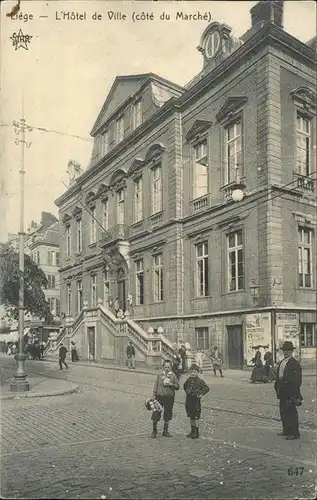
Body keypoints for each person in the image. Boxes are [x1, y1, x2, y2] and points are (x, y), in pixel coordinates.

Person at [274, 341, 302, 440]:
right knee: (283, 411)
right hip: (282, 391)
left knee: (291, 412)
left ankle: (294, 433)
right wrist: (277, 387)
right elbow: (279, 376)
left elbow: (297, 380)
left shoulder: (295, 363)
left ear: (292, 351)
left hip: (290, 391)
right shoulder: (282, 362)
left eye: (288, 351)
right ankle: (286, 431)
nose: (286, 352)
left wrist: (294, 393)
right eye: (285, 351)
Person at [151, 359, 179, 438]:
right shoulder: (159, 375)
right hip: (159, 397)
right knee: (156, 413)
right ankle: (154, 431)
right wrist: (154, 395)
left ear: (171, 367)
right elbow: (155, 385)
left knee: (168, 414)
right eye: (165, 367)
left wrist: (171, 384)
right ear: (163, 367)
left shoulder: (173, 376)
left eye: (168, 367)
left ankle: (165, 431)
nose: (167, 369)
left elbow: (177, 387)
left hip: (169, 398)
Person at [183, 363, 210, 439]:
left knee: (196, 416)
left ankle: (196, 432)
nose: (193, 374)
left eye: (194, 372)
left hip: (196, 401)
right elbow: (184, 387)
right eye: (191, 372)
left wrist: (201, 394)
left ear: (197, 372)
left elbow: (206, 388)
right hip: (189, 400)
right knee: (191, 416)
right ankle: (192, 431)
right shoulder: (188, 380)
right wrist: (187, 392)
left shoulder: (200, 381)